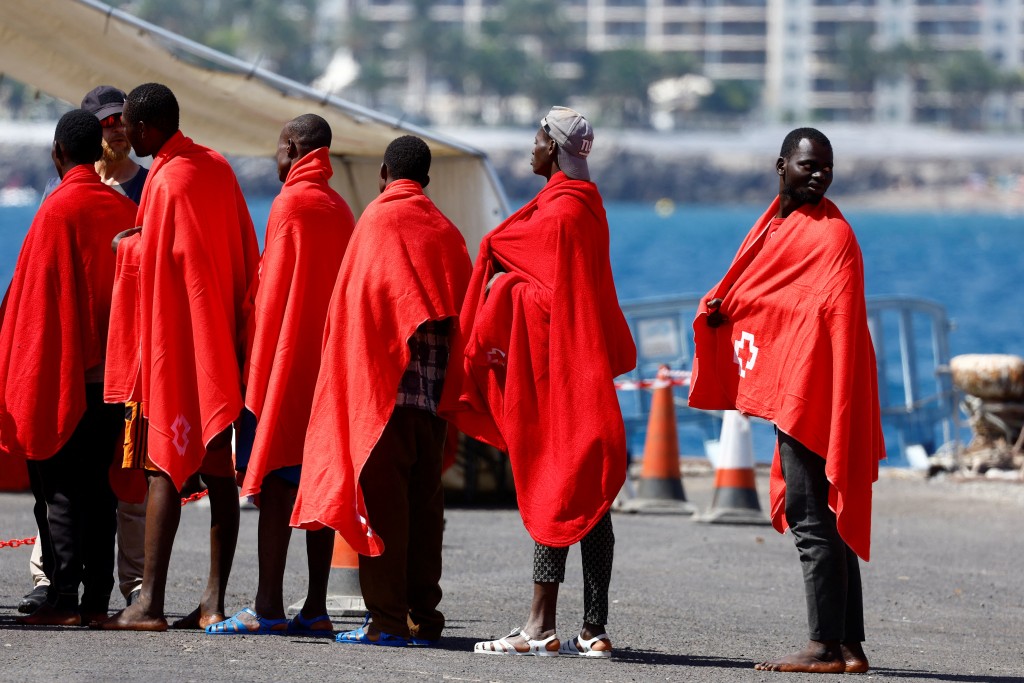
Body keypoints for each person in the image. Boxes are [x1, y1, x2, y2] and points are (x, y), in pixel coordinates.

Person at [439, 106, 636, 658]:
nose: (530, 147)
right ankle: (591, 629)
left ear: (553, 147)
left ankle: (539, 628)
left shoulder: (558, 215)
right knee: (591, 494)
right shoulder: (586, 209)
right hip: (584, 368)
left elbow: (548, 296)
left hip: (557, 375)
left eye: (537, 138)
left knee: (552, 481)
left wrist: (504, 292)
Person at [687, 127, 885, 674]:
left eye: (826, 166)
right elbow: (771, 293)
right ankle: (849, 647)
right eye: (808, 165)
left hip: (817, 392)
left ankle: (824, 646)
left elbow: (826, 319)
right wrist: (728, 305)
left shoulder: (832, 236)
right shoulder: (781, 224)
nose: (819, 174)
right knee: (826, 518)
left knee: (812, 519)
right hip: (803, 384)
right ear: (782, 166)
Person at [291, 135, 472, 647]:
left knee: (384, 511)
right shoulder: (446, 230)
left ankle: (387, 621)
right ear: (427, 180)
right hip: (433, 402)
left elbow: (356, 312)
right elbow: (463, 311)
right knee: (424, 513)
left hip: (384, 399)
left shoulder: (377, 220)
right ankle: (423, 617)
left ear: (385, 173)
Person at [97, 82, 260, 632]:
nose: (126, 137)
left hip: (179, 345)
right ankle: (213, 600)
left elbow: (166, 257)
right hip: (218, 344)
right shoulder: (216, 166)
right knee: (218, 473)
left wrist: (127, 247)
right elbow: (239, 248)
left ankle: (150, 604)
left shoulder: (166, 179)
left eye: (130, 129)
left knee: (163, 465)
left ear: (144, 128)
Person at [205, 114, 355, 636]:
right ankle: (315, 608)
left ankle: (267, 605)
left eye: (277, 149)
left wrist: (255, 366)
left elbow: (271, 297)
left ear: (293, 147)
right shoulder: (339, 208)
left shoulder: (291, 203)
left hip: (287, 365)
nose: (275, 159)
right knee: (318, 482)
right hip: (328, 366)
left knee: (274, 482)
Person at [0, 109, 138, 626]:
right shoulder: (120, 207)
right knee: (99, 491)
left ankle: (61, 599)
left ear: (57, 154)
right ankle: (97, 601)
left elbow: (32, 304)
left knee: (56, 487)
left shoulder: (56, 210)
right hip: (115, 377)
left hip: (67, 373)